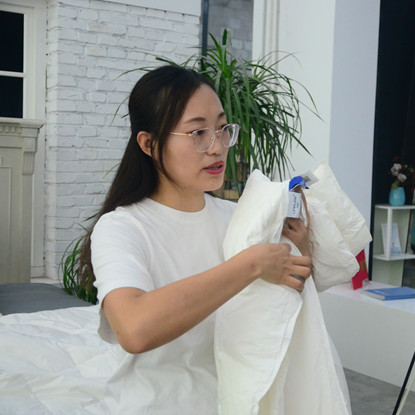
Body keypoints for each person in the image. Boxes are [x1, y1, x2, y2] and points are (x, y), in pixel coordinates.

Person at [77, 65, 313, 413]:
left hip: (233, 401)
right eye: (198, 132)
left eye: (222, 129)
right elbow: (133, 329)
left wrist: (297, 247)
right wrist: (251, 264)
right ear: (149, 144)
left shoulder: (238, 219)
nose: (217, 147)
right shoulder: (122, 227)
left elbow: (279, 307)